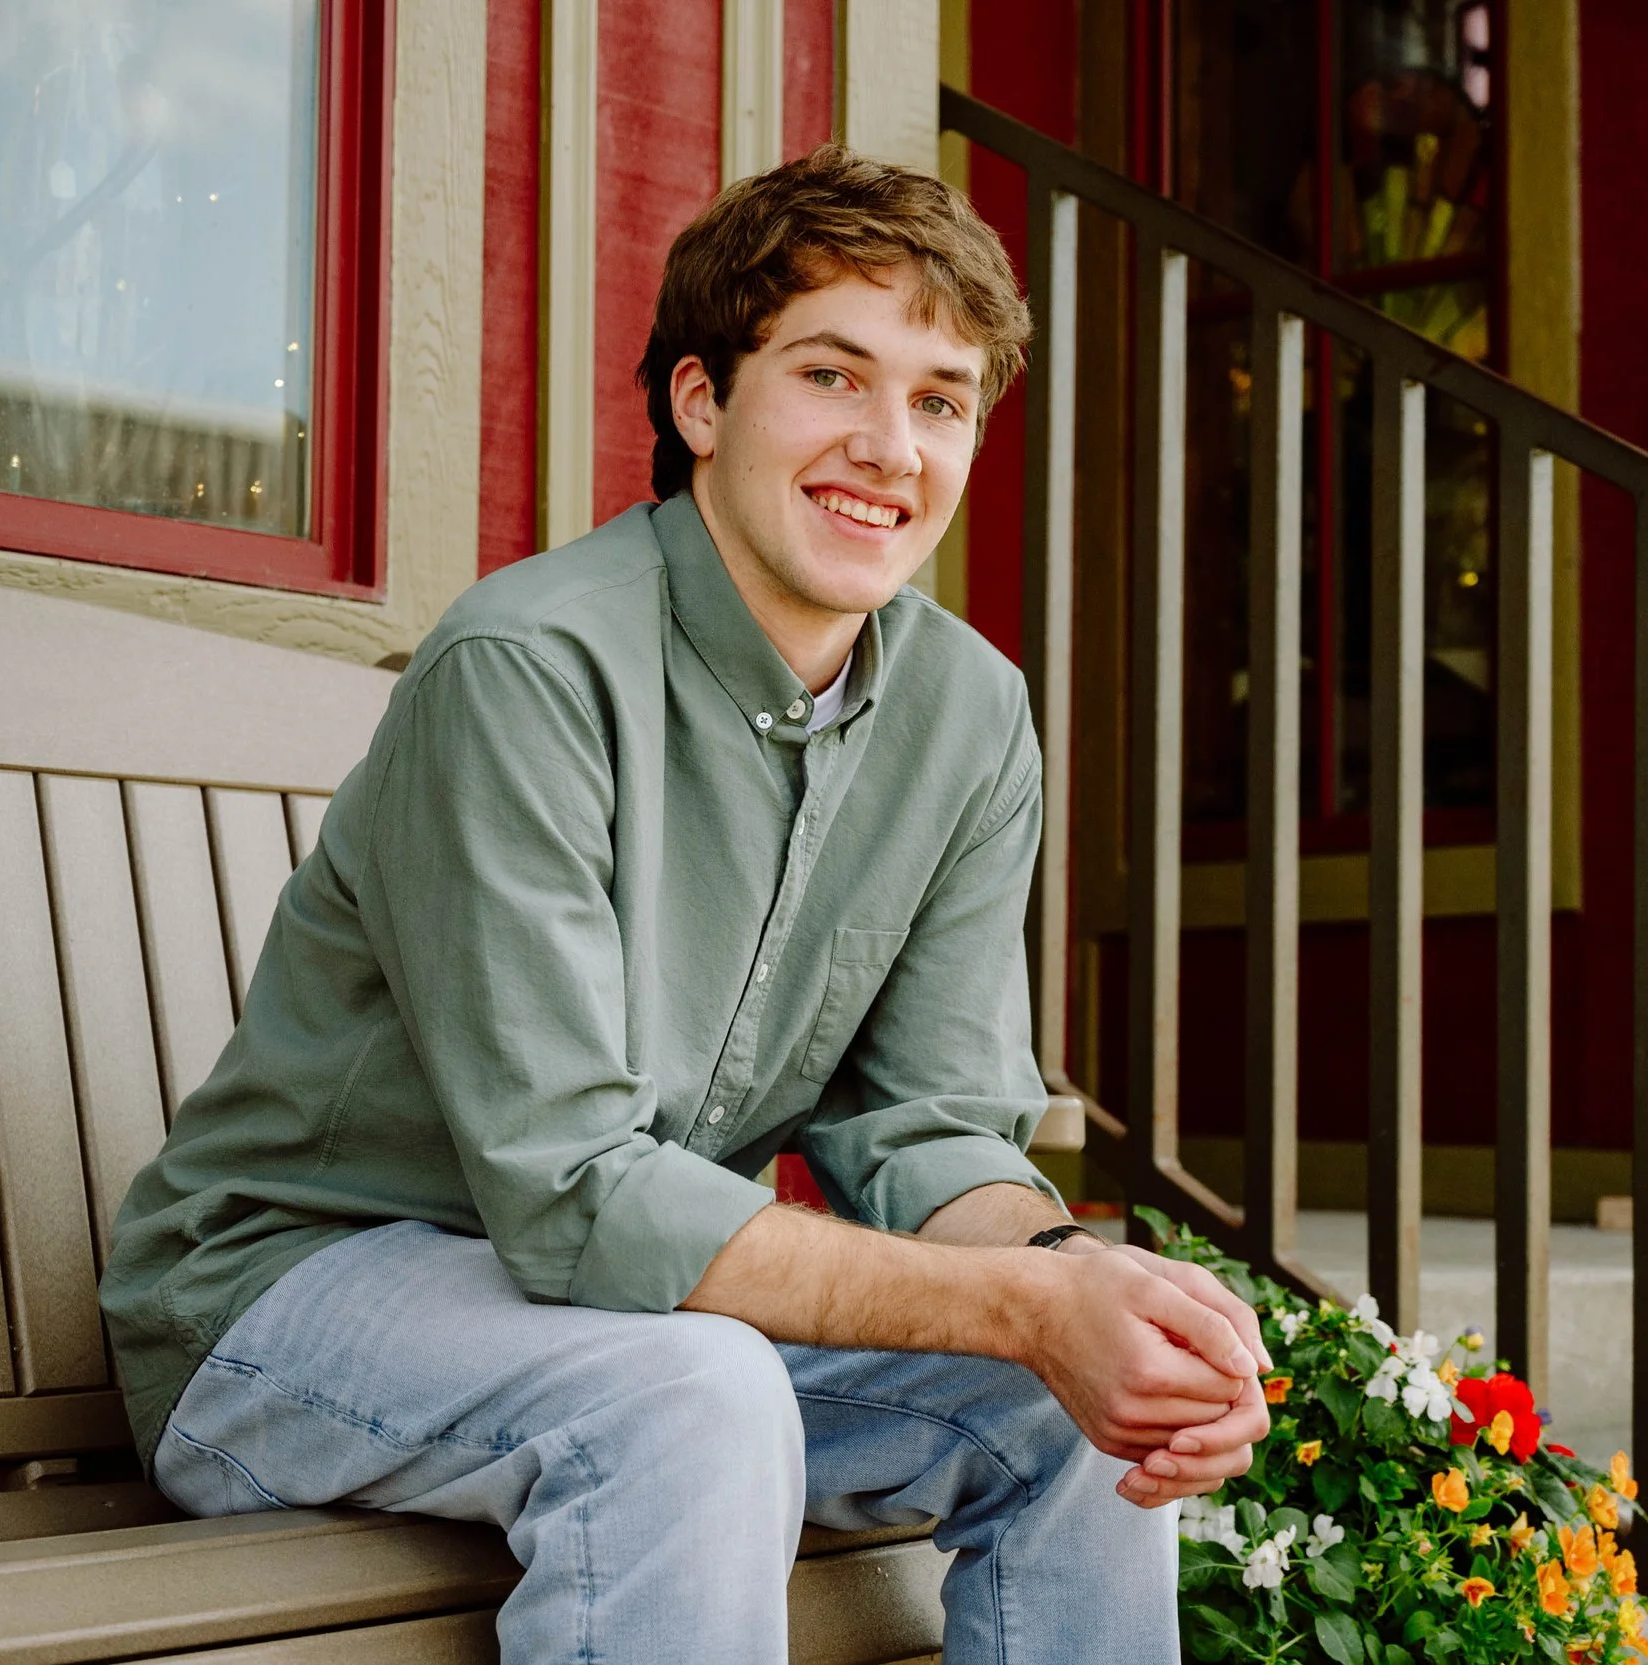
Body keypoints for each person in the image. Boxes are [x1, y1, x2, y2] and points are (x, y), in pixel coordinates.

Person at [99, 144, 1270, 1663]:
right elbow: (575, 1185)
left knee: (1086, 1396)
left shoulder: (970, 716)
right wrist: (1012, 1312)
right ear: (702, 403)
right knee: (694, 1393)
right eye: (833, 377)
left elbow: (928, 1131)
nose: (890, 447)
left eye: (938, 399)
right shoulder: (530, 668)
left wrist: (1072, 1289)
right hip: (289, 1308)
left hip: (617, 1319)